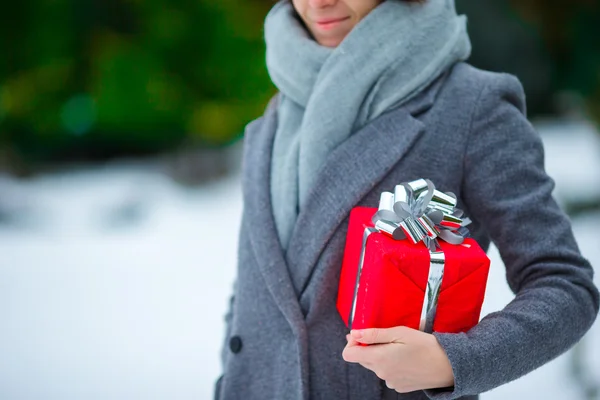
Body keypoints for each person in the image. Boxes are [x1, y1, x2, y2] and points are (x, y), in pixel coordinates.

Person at [215, 0, 599, 399]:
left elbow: (564, 285)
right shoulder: (278, 112)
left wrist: (454, 361)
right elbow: (259, 293)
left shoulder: (472, 105)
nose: (319, 2)